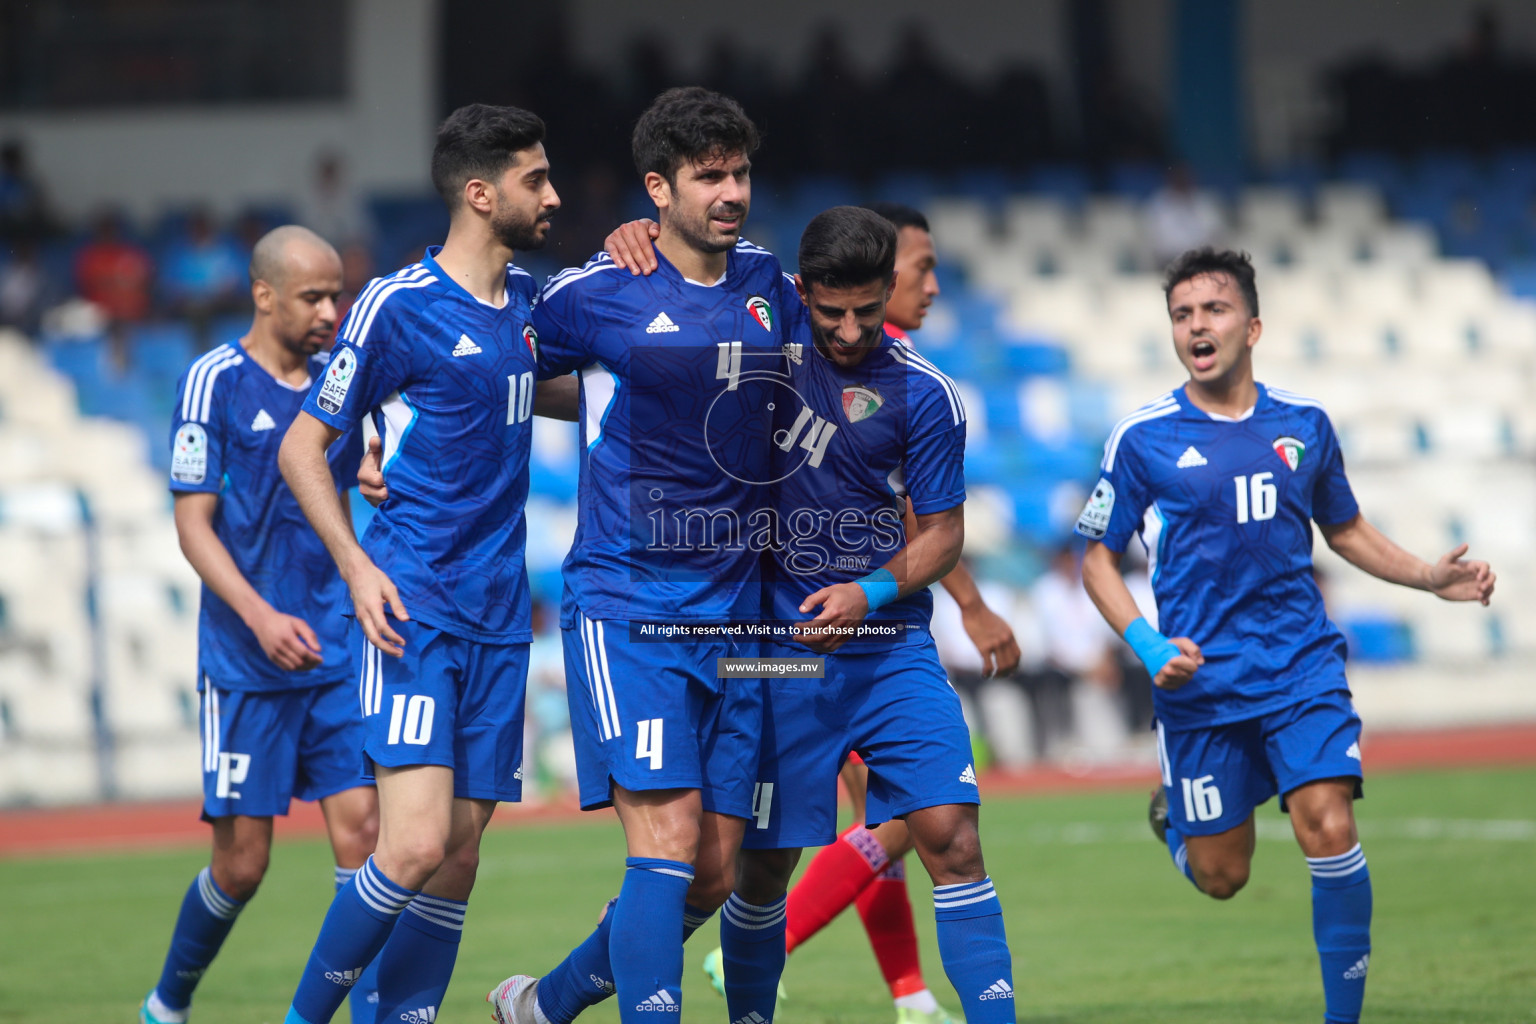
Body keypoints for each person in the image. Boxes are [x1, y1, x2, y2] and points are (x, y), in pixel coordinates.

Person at [1075, 247, 1496, 1024]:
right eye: (1182, 315)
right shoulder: (1142, 437)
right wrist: (1148, 645)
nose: (1196, 326)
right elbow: (1095, 557)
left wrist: (1430, 579)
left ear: (1253, 326)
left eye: (1214, 310)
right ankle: (1176, 820)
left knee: (1328, 824)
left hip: (1302, 666)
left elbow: (1347, 529)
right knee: (1222, 876)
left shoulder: (1304, 424)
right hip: (1201, 685)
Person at [483, 85, 804, 1024]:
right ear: (658, 188)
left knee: (713, 870)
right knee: (662, 843)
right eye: (708, 175)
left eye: (739, 171)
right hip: (629, 606)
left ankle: (542, 1006)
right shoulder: (594, 292)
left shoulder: (768, 286)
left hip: (740, 619)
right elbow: (488, 364)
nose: (731, 190)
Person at [275, 103, 561, 1024]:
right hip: (415, 605)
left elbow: (561, 384)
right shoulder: (397, 305)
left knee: (461, 855)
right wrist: (358, 568)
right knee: (409, 846)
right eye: (535, 180)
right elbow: (301, 447)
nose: (552, 195)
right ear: (480, 194)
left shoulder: (528, 304)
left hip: (499, 614)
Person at [723, 201, 1019, 1024]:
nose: (850, 330)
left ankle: (956, 1005)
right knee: (760, 867)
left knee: (952, 838)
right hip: (775, 653)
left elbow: (943, 536)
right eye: (831, 311)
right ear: (801, 289)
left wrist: (869, 593)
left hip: (891, 653)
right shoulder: (760, 335)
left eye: (865, 308)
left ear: (884, 287)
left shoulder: (927, 396)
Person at [140, 225, 378, 1024]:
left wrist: (374, 471)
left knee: (367, 842)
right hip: (247, 661)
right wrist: (261, 614)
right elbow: (194, 525)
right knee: (242, 866)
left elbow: (343, 487)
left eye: (338, 295)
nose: (331, 310)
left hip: (334, 650)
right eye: (313, 295)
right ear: (264, 293)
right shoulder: (213, 383)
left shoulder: (333, 386)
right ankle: (168, 1003)